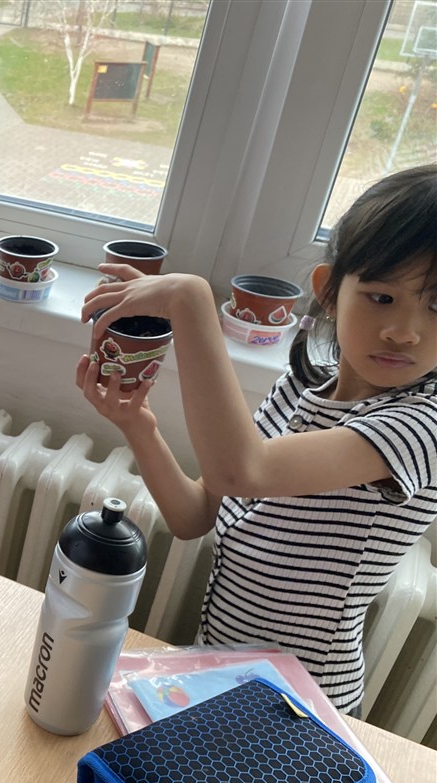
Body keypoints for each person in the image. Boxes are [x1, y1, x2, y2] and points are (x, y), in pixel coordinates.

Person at [76, 164, 437, 715]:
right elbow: (196, 514)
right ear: (330, 292)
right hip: (220, 667)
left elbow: (241, 471)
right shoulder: (302, 388)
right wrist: (138, 427)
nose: (404, 331)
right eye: (381, 298)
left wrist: (191, 300)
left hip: (300, 703)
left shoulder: (421, 426)